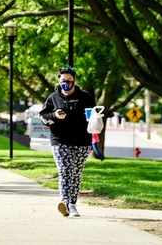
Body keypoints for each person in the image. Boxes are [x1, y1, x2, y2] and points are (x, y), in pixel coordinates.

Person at [39, 66, 95, 217]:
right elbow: (43, 117)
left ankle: (72, 204)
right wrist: (55, 115)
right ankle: (64, 202)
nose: (66, 83)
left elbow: (94, 117)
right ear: (59, 80)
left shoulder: (86, 98)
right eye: (63, 80)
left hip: (82, 141)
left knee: (76, 173)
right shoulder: (53, 98)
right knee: (64, 170)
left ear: (74, 81)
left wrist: (96, 121)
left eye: (69, 80)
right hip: (60, 140)